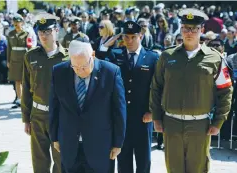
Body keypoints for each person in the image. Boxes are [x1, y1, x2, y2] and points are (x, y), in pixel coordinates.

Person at [150, 8, 233, 173]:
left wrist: (218, 122)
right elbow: (156, 87)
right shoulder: (167, 56)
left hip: (199, 125)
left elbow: (225, 91)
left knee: (198, 169)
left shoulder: (215, 58)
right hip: (171, 123)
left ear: (201, 30)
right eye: (186, 28)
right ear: (180, 29)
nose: (189, 32)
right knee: (173, 169)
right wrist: (156, 118)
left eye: (194, 28)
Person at [49, 40, 127, 173]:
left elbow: (119, 110)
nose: (80, 71)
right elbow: (54, 106)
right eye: (75, 67)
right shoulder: (59, 72)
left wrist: (117, 143)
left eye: (84, 66)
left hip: (100, 145)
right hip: (69, 144)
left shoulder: (110, 72)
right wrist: (54, 137)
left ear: (93, 55)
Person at [103, 21, 159, 173]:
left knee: (143, 160)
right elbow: (101, 60)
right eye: (126, 37)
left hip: (143, 116)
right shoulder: (116, 55)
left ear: (140, 36)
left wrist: (152, 111)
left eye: (133, 37)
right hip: (122, 117)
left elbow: (157, 87)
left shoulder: (152, 58)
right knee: (123, 160)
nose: (129, 40)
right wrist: (109, 43)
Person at [21, 13, 67, 173]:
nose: (43, 36)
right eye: (40, 32)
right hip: (38, 115)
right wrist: (26, 118)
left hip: (60, 116)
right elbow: (26, 89)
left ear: (56, 31)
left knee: (61, 160)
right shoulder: (31, 56)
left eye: (47, 32)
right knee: (39, 160)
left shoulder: (67, 57)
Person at [7, 14, 29, 108]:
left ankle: (25, 100)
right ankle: (19, 100)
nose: (16, 24)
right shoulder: (10, 34)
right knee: (17, 80)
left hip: (23, 58)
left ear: (22, 23)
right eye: (15, 22)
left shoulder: (26, 33)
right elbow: (9, 48)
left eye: (18, 22)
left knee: (25, 80)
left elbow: (29, 46)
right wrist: (8, 60)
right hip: (14, 59)